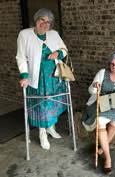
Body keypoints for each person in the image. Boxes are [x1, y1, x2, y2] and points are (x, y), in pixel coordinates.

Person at [16, 8, 68, 150]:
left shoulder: (54, 34)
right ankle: (42, 133)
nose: (45, 24)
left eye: (48, 22)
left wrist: (57, 53)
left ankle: (51, 127)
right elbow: (21, 57)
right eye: (42, 20)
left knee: (53, 102)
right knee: (41, 104)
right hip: (37, 78)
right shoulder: (24, 34)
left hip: (54, 77)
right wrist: (24, 76)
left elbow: (64, 50)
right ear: (36, 20)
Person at [83, 52, 115, 174]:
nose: (114, 66)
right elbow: (90, 90)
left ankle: (101, 150)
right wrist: (95, 86)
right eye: (112, 64)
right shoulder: (102, 73)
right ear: (109, 64)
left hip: (114, 104)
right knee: (100, 122)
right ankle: (108, 159)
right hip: (99, 103)